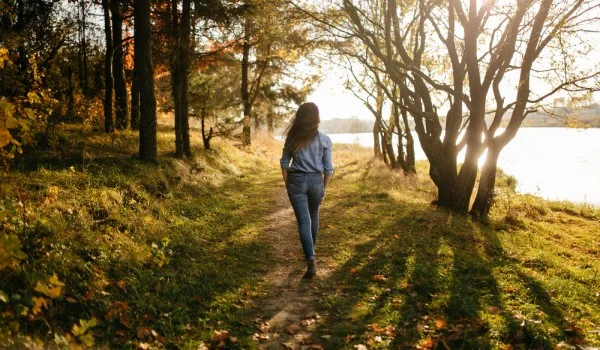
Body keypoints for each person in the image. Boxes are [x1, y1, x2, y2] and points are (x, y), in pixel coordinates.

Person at [280, 102, 334, 279]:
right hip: (316, 181)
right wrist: (324, 188)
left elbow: (284, 163)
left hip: (296, 180)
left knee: (304, 221)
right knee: (314, 216)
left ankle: (310, 259)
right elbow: (328, 169)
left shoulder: (292, 138)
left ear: (300, 117)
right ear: (316, 118)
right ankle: (311, 256)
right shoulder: (325, 140)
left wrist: (288, 185)